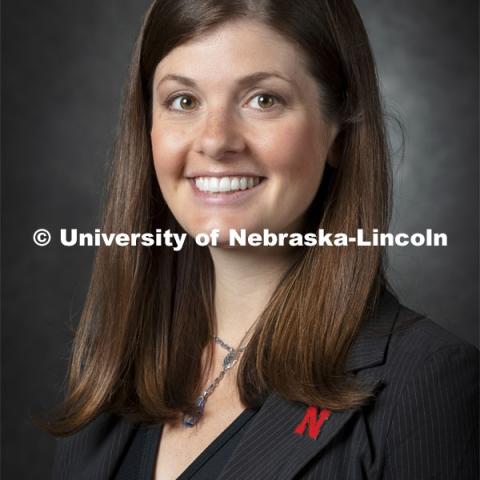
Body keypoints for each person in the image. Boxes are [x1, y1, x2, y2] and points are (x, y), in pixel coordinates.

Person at [42, 1, 478, 479]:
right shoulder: (113, 376)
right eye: (183, 101)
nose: (215, 141)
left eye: (263, 99)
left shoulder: (429, 383)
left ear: (337, 131)